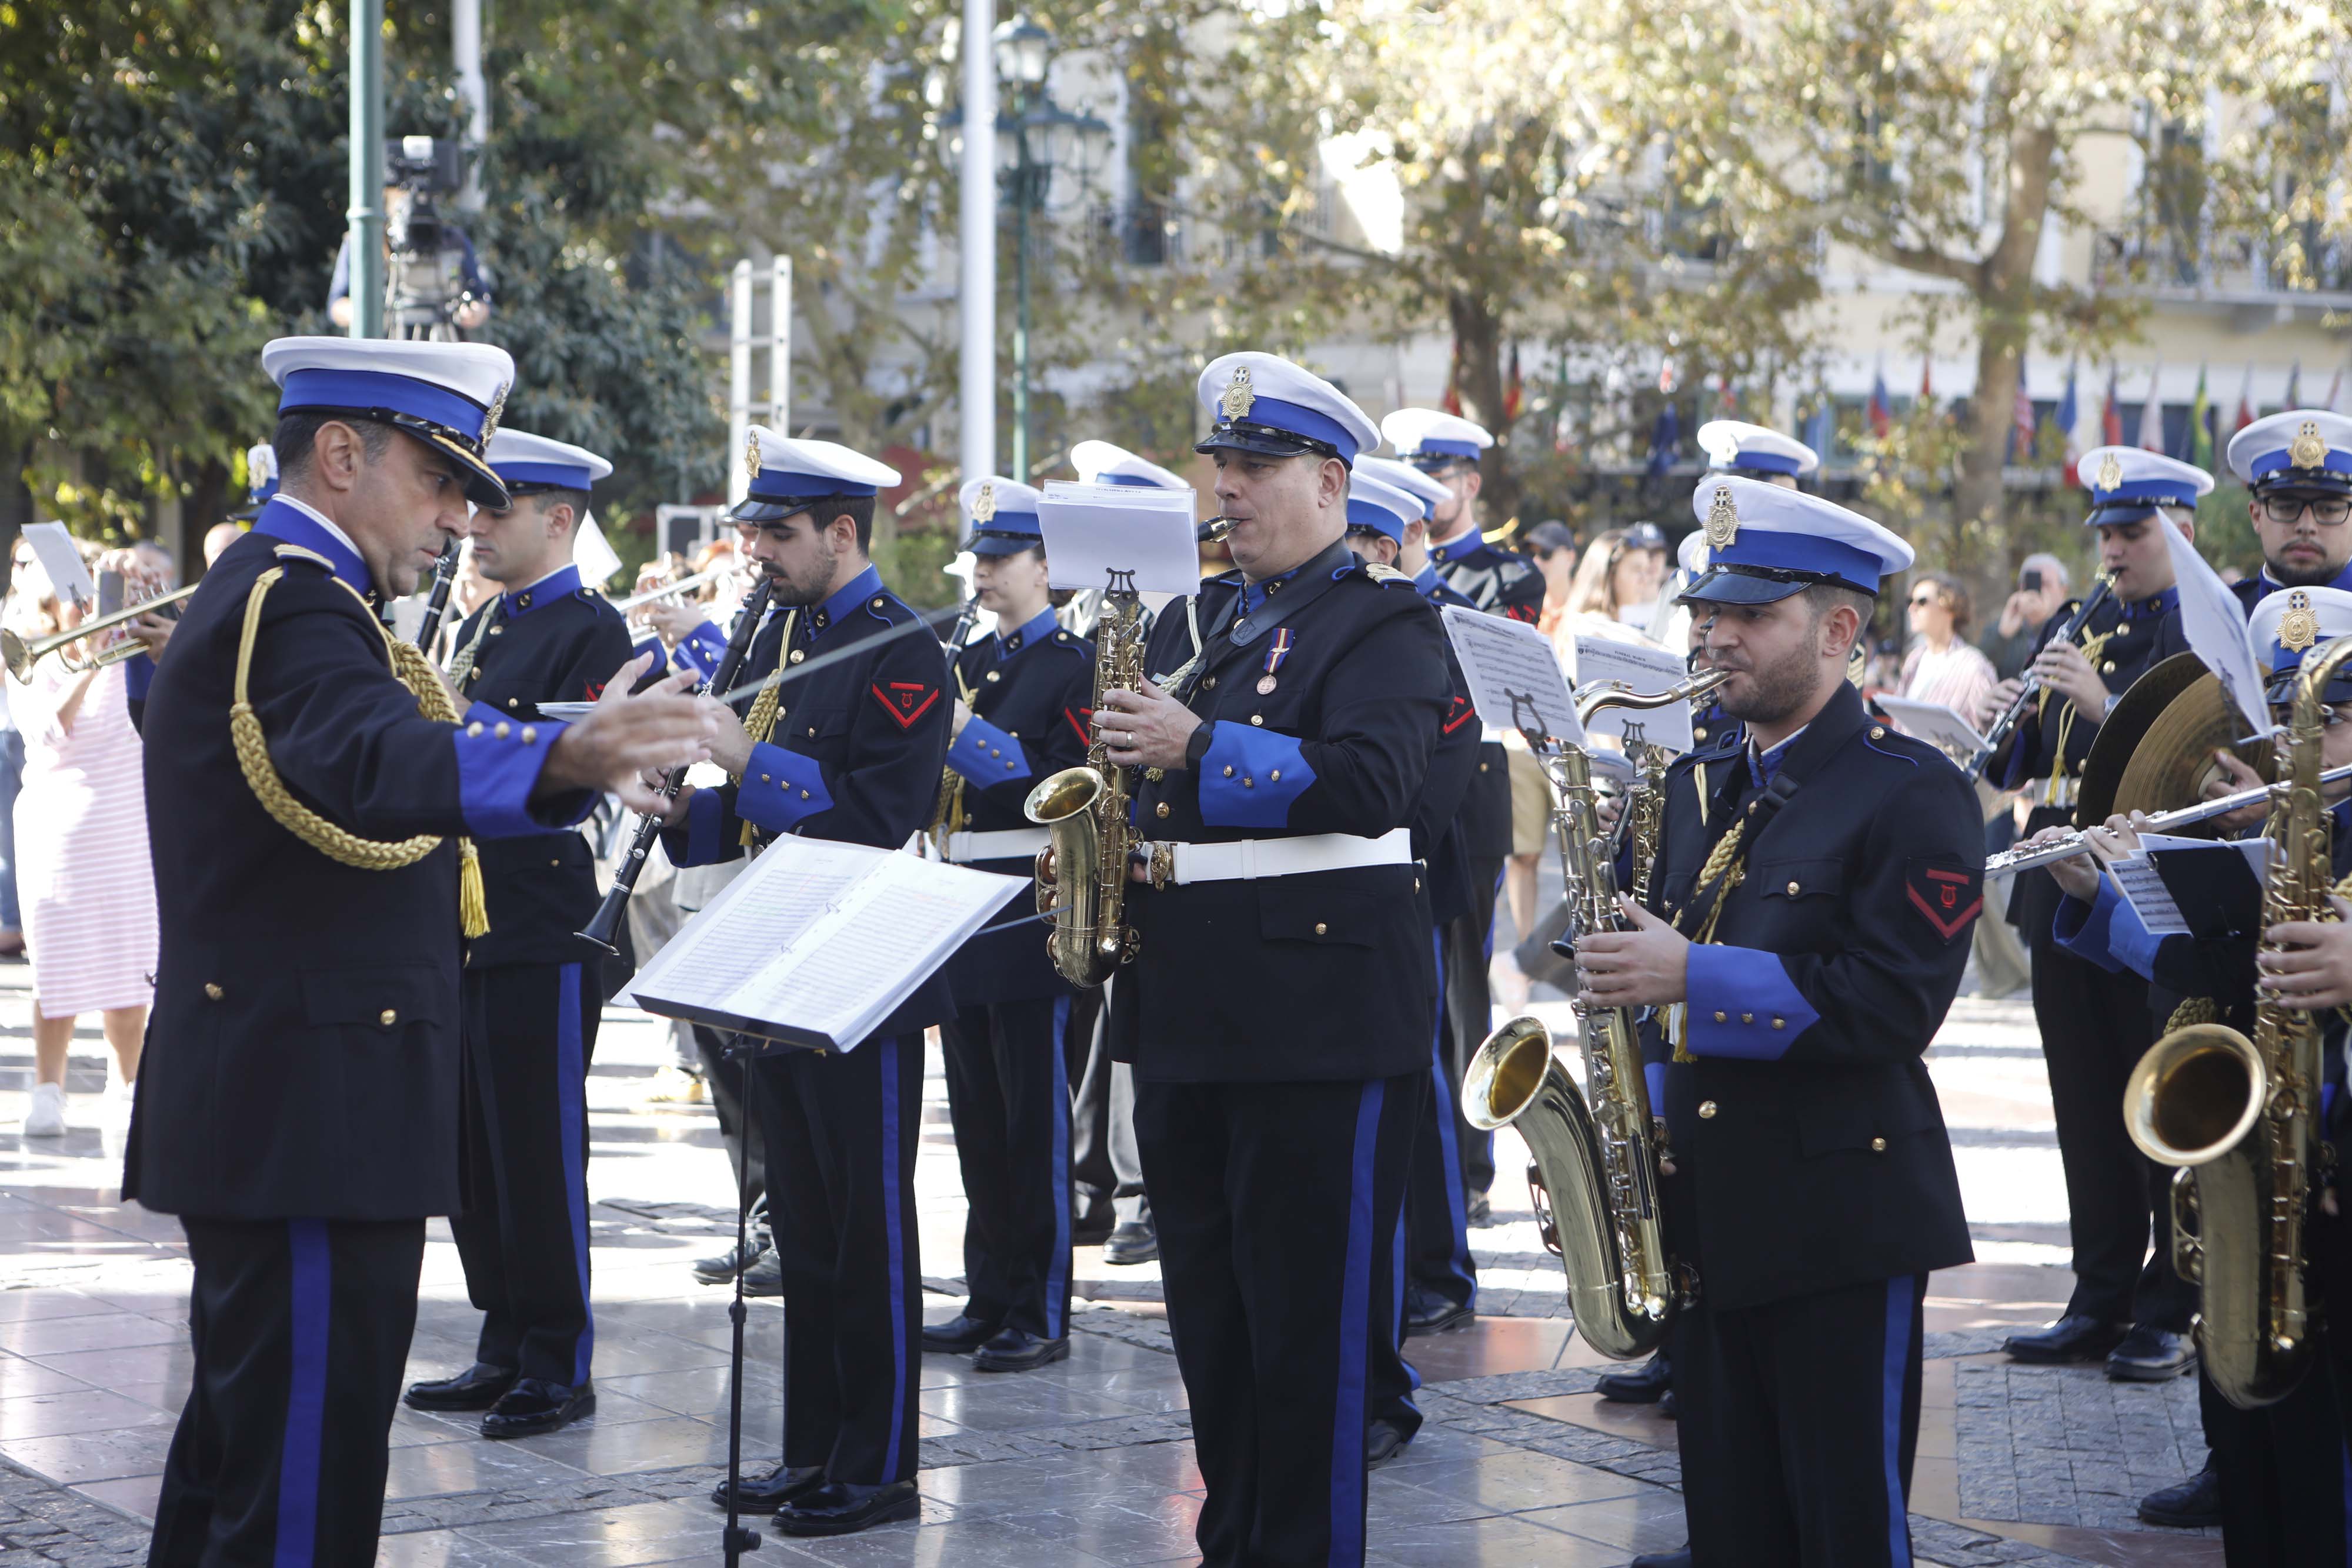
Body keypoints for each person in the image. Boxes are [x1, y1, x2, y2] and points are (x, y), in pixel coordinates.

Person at [129, 334, 708, 1564]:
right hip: (309, 1112)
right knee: (297, 1483)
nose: (459, 516)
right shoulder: (294, 600)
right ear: (343, 455)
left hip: (295, 1097)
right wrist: (565, 758)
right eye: (441, 479)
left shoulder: (296, 595)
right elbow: (374, 758)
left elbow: (388, 744)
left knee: (247, 1453)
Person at [1581, 475, 1980, 1568]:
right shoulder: (1697, 774)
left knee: (1841, 1529)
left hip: (1836, 1219)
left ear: (1839, 629)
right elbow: (1638, 983)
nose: (1713, 636)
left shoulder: (1912, 790)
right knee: (1732, 1528)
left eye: (1749, 615)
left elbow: (1891, 1005)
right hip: (1706, 1212)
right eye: (1708, 611)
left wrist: (1690, 974)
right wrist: (1618, 1139)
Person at [1094, 353, 1446, 1566]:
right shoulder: (1214, 620)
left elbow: (1370, 781)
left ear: (1331, 483)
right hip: (1190, 1007)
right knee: (1216, 1328)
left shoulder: (1387, 617)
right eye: (1221, 467)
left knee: (1308, 1342)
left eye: (1254, 467)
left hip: (1318, 1021)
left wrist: (1199, 743)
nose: (1226, 489)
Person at [653, 429, 949, 1537]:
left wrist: (740, 760)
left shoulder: (903, 647)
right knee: (805, 1222)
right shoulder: (779, 632)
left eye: (778, 534)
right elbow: (754, 806)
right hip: (778, 952)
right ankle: (810, 1446)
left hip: (860, 961)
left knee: (864, 1224)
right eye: (754, 533)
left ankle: (874, 1465)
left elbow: (876, 812)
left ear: (840, 532)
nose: (759, 553)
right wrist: (682, 811)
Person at [2034, 583, 2352, 1548]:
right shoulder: (2279, 830)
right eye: (2277, 726)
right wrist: (2108, 887)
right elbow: (2202, 972)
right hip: (2261, 1184)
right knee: (2253, 1451)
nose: (2288, 755)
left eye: (2325, 723)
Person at [400, 431, 634, 1439]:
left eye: (501, 509)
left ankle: (556, 1355)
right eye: (475, 507)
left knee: (540, 1149)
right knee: (474, 1151)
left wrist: (448, 714)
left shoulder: (595, 629)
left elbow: (565, 767)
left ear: (560, 520)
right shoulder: (487, 626)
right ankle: (502, 1338)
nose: (477, 524)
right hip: (463, 916)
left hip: (539, 915)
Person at [1975, 445, 2210, 1382]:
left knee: (2147, 1095)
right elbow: (2021, 764)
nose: (2111, 550)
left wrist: (2101, 701)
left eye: (2130, 532)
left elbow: (2195, 760)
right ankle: (2096, 1292)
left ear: (2179, 533)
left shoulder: (2200, 627)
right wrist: (2005, 718)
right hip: (2059, 872)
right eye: (2104, 534)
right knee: (2081, 1106)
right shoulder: (2092, 618)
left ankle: (2169, 1300)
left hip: (2145, 881)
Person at [921, 475, 1098, 1373]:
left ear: (1044, 567)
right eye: (978, 559)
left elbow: (1053, 780)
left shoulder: (1069, 664)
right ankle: (986, 1289)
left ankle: (1040, 1302)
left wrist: (954, 727)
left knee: (1031, 1118)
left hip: (1029, 898)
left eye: (999, 560)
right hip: (961, 896)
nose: (982, 575)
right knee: (978, 1116)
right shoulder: (980, 661)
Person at [1337, 469, 1483, 1454]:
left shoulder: (1421, 635)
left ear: (1383, 547)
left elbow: (1419, 795)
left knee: (1411, 1104)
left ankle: (1436, 1272)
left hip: (1402, 894)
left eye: (1351, 541)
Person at [1380, 408, 1528, 1227]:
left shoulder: (1504, 577)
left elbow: (1486, 674)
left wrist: (1416, 583)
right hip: (1399, 791)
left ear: (1468, 483)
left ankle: (1469, 1164)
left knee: (1465, 991)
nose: (1421, 490)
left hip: (1467, 792)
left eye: (1433, 475)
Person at [1062, 437, 1195, 1265]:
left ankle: (1140, 1187)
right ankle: (1100, 1179)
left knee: (1134, 1033)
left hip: (1161, 841)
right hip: (1106, 832)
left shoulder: (1183, 613)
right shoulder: (1094, 617)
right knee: (1099, 1027)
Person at [6, 541, 156, 1135]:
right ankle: (50, 1087)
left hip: (125, 821)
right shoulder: (29, 656)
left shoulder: (129, 651)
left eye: (97, 596)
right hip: (57, 826)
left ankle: (128, 1084)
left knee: (128, 959)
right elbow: (47, 732)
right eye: (77, 599)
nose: (89, 607)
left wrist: (130, 626)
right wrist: (92, 655)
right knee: (58, 961)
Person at [2224, 409, 2352, 612]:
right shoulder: (2205, 622)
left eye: (2329, 509)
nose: (2306, 526)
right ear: (2256, 516)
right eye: (2286, 507)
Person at [327, 186, 492, 332]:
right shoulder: (363, 242)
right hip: (384, 347)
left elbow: (482, 298)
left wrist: (475, 312)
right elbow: (335, 305)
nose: (411, 199)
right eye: (403, 191)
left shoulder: (455, 243)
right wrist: (363, 315)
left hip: (443, 344)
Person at [1899, 572, 1998, 720]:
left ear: (1950, 607)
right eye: (1909, 602)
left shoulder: (1973, 666)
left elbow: (1988, 730)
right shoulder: (1914, 659)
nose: (1912, 608)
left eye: (1922, 602)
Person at [1979, 555, 2071, 680]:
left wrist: (2046, 623)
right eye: (2033, 584)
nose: (2038, 591)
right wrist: (2002, 636)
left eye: (2046, 584)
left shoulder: (2072, 626)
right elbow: (1979, 670)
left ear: (2063, 592)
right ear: (2021, 588)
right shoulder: (2002, 628)